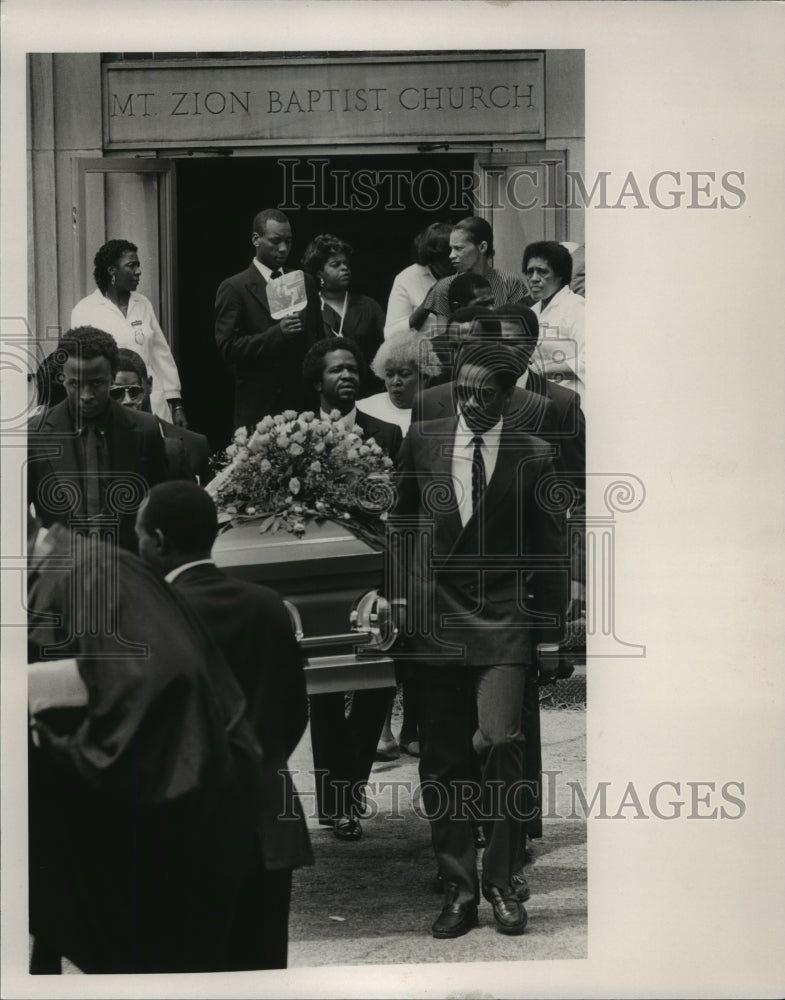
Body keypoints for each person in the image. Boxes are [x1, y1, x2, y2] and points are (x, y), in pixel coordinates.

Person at [389, 340, 569, 939]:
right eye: (462, 391)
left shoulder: (534, 454)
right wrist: (395, 598)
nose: (470, 404)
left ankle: (501, 880)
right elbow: (401, 526)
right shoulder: (423, 438)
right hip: (435, 620)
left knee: (499, 742)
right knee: (442, 763)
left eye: (485, 394)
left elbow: (549, 554)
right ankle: (460, 889)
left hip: (504, 620)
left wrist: (550, 636)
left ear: (508, 394)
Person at [27, 523, 265, 973]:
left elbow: (157, 685)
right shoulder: (59, 575)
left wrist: (47, 735)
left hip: (164, 831)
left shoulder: (93, 574)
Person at [135, 481, 313, 969]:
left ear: (159, 541)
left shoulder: (146, 616)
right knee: (261, 970)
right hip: (266, 819)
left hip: (183, 828)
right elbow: (294, 712)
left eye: (139, 533)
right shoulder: (268, 605)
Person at [301, 336, 401, 840]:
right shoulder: (291, 436)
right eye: (335, 370)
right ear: (317, 380)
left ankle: (351, 789)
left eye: (352, 369)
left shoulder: (386, 433)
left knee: (374, 686)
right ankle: (334, 802)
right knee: (324, 691)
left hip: (372, 578)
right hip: (319, 580)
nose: (346, 376)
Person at [357, 330, 442, 759]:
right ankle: (385, 726)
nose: (394, 383)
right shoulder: (373, 416)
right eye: (388, 374)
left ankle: (414, 724)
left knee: (419, 634)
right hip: (389, 537)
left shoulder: (438, 416)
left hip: (427, 540)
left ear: (424, 373)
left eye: (403, 374)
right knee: (388, 628)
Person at [27, 326, 168, 552]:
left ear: (112, 377)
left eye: (96, 383)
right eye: (75, 384)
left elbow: (161, 510)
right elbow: (15, 519)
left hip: (127, 573)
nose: (86, 395)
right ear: (63, 378)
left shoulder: (145, 429)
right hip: (62, 577)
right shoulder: (35, 436)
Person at [214, 208, 323, 430]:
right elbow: (228, 348)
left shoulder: (304, 281)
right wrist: (277, 333)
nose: (283, 248)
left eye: (288, 241)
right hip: (258, 410)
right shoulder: (235, 287)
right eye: (275, 241)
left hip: (303, 407)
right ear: (256, 239)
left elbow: (317, 341)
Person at [71, 239, 187, 426]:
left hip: (151, 401)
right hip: (115, 400)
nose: (138, 271)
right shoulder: (85, 310)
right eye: (131, 266)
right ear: (112, 271)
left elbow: (161, 354)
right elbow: (83, 367)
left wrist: (176, 405)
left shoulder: (143, 304)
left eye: (138, 265)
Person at [410, 217, 531, 334]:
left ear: (482, 247)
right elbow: (445, 340)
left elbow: (520, 330)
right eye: (451, 249)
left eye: (458, 248)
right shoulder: (444, 287)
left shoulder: (510, 281)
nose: (451, 255)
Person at [301, 233, 385, 395]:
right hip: (322, 395)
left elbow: (384, 348)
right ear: (319, 273)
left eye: (346, 263)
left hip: (368, 391)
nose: (344, 268)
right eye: (335, 264)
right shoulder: (309, 310)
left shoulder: (369, 306)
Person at [113, 348, 212, 484]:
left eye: (134, 391)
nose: (127, 400)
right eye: (116, 393)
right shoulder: (94, 447)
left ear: (149, 385)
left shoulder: (195, 445)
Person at [523, 240, 586, 400]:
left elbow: (591, 359)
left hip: (573, 400)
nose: (534, 279)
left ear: (560, 274)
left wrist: (545, 369)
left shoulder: (576, 307)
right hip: (539, 400)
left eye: (542, 272)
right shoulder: (531, 313)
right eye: (530, 272)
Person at [356, 328, 442, 434]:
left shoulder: (441, 414)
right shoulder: (364, 409)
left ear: (425, 377)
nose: (395, 381)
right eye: (389, 375)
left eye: (404, 374)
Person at [384, 222, 453, 339]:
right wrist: (426, 305)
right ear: (431, 255)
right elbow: (391, 336)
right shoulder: (406, 278)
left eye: (459, 250)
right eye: (446, 253)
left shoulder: (467, 272)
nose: (453, 257)